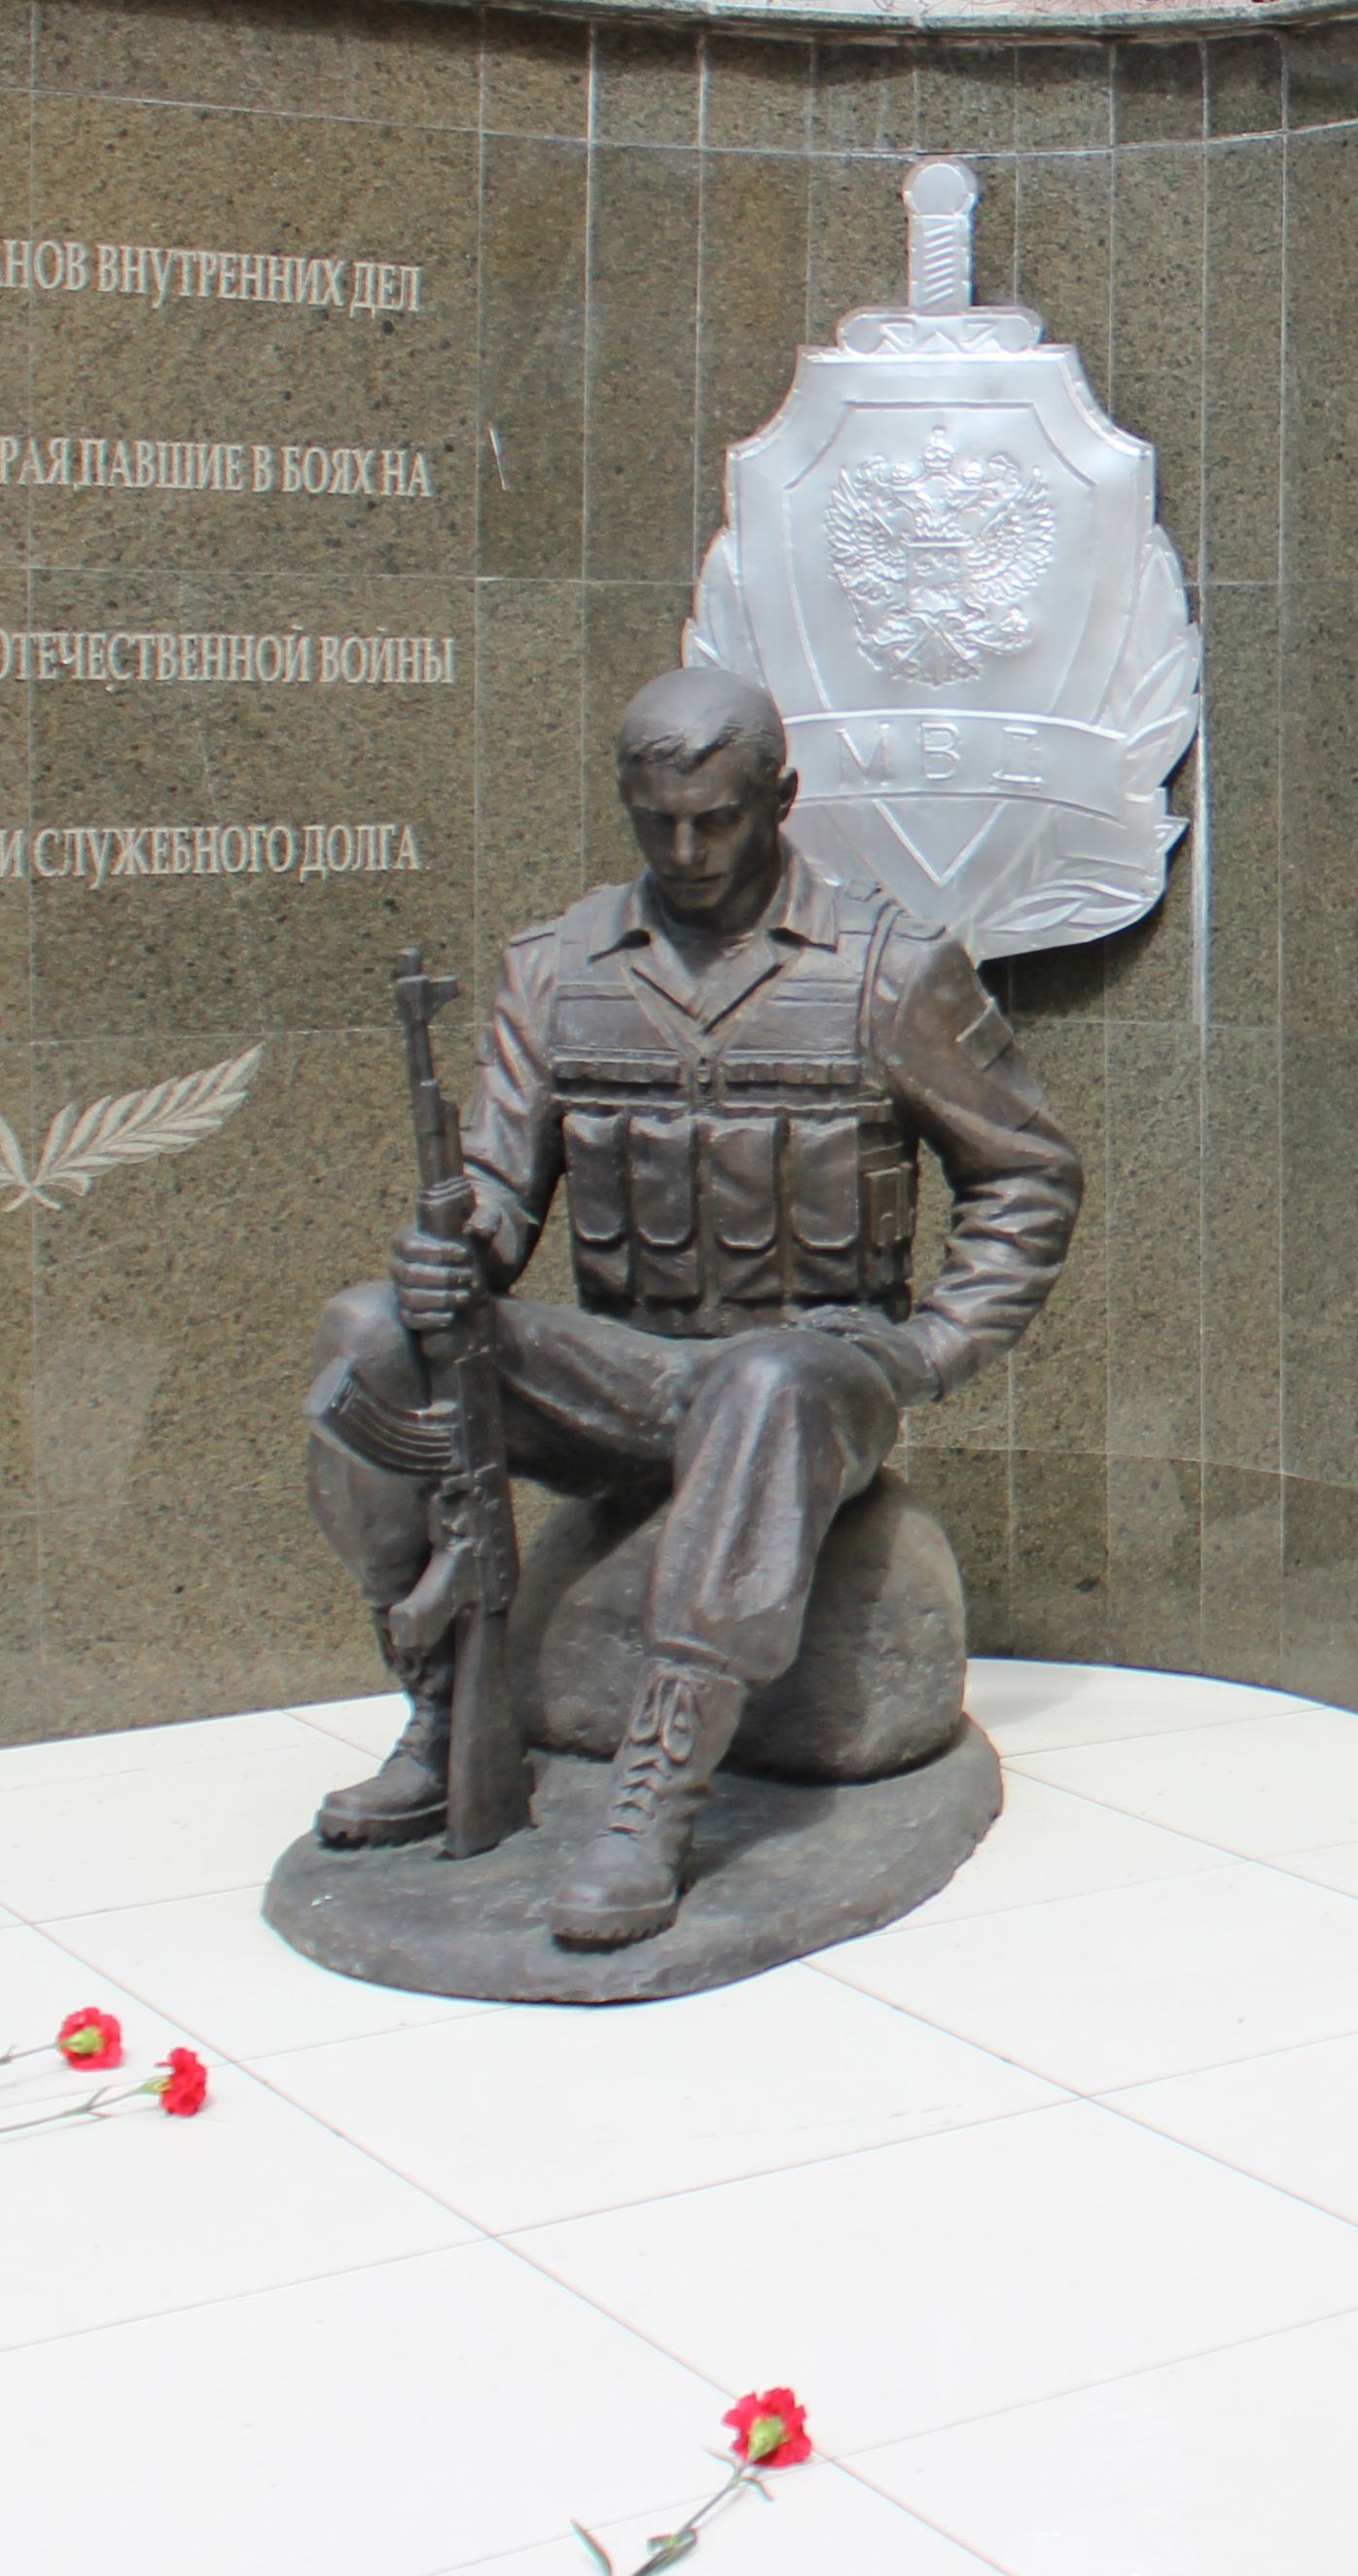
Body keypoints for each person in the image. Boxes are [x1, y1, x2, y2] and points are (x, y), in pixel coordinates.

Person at [304, 668, 1080, 1946]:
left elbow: (1029, 1169)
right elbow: (500, 1188)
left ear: (781, 797)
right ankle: (446, 1711)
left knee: (766, 1383)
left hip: (811, 1375)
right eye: (658, 819)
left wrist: (932, 1349)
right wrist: (456, 1252)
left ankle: (658, 1783)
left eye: (717, 818)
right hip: (623, 1372)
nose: (688, 849)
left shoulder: (889, 969)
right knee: (367, 1338)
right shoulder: (558, 970)